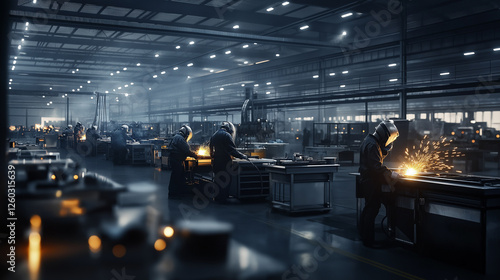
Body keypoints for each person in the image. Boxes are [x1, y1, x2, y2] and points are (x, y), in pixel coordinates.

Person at [358, 120, 402, 247]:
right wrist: (391, 174)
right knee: (371, 209)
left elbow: (376, 159)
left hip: (368, 180)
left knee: (368, 209)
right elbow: (376, 167)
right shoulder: (372, 145)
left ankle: (364, 236)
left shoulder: (371, 141)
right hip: (370, 181)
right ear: (385, 135)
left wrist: (385, 149)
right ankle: (369, 241)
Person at [209, 121, 247, 202]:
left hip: (216, 161)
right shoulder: (227, 135)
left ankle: (217, 197)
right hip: (225, 162)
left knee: (217, 179)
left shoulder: (214, 135)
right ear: (228, 128)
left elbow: (210, 149)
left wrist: (213, 157)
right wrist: (242, 156)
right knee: (225, 180)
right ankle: (223, 197)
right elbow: (232, 150)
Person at [168, 125, 197, 197]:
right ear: (186, 133)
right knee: (176, 177)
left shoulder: (176, 137)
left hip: (174, 159)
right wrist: (195, 155)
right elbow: (186, 151)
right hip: (177, 160)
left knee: (176, 176)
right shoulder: (180, 138)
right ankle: (174, 194)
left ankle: (175, 192)